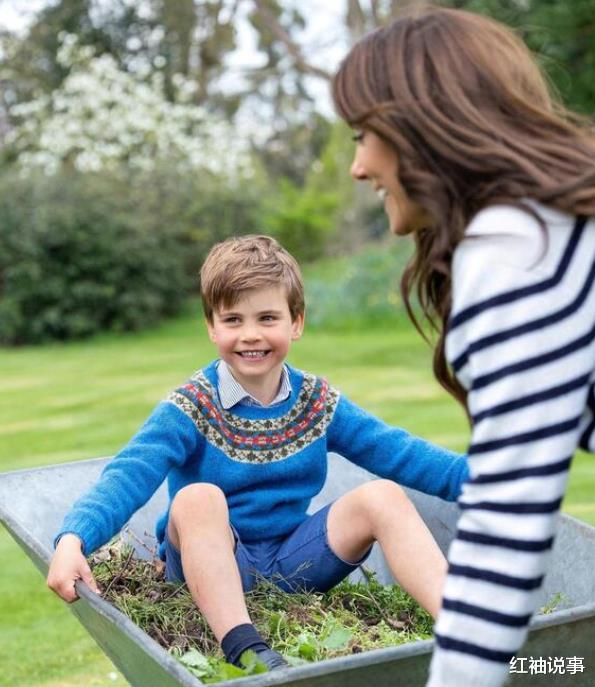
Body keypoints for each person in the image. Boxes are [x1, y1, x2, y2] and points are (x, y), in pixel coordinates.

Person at [47, 234, 468, 671]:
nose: (250, 335)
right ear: (211, 326)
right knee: (197, 498)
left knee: (382, 495)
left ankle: (462, 628)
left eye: (268, 317)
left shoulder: (316, 401)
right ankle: (246, 649)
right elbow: (129, 473)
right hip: (209, 566)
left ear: (296, 322)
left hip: (294, 560)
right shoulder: (191, 406)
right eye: (233, 320)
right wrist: (75, 538)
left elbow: (399, 452)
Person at [332, 5, 595, 687]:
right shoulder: (554, 227)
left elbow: (505, 534)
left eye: (365, 134)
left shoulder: (512, 256)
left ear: (422, 129)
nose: (359, 167)